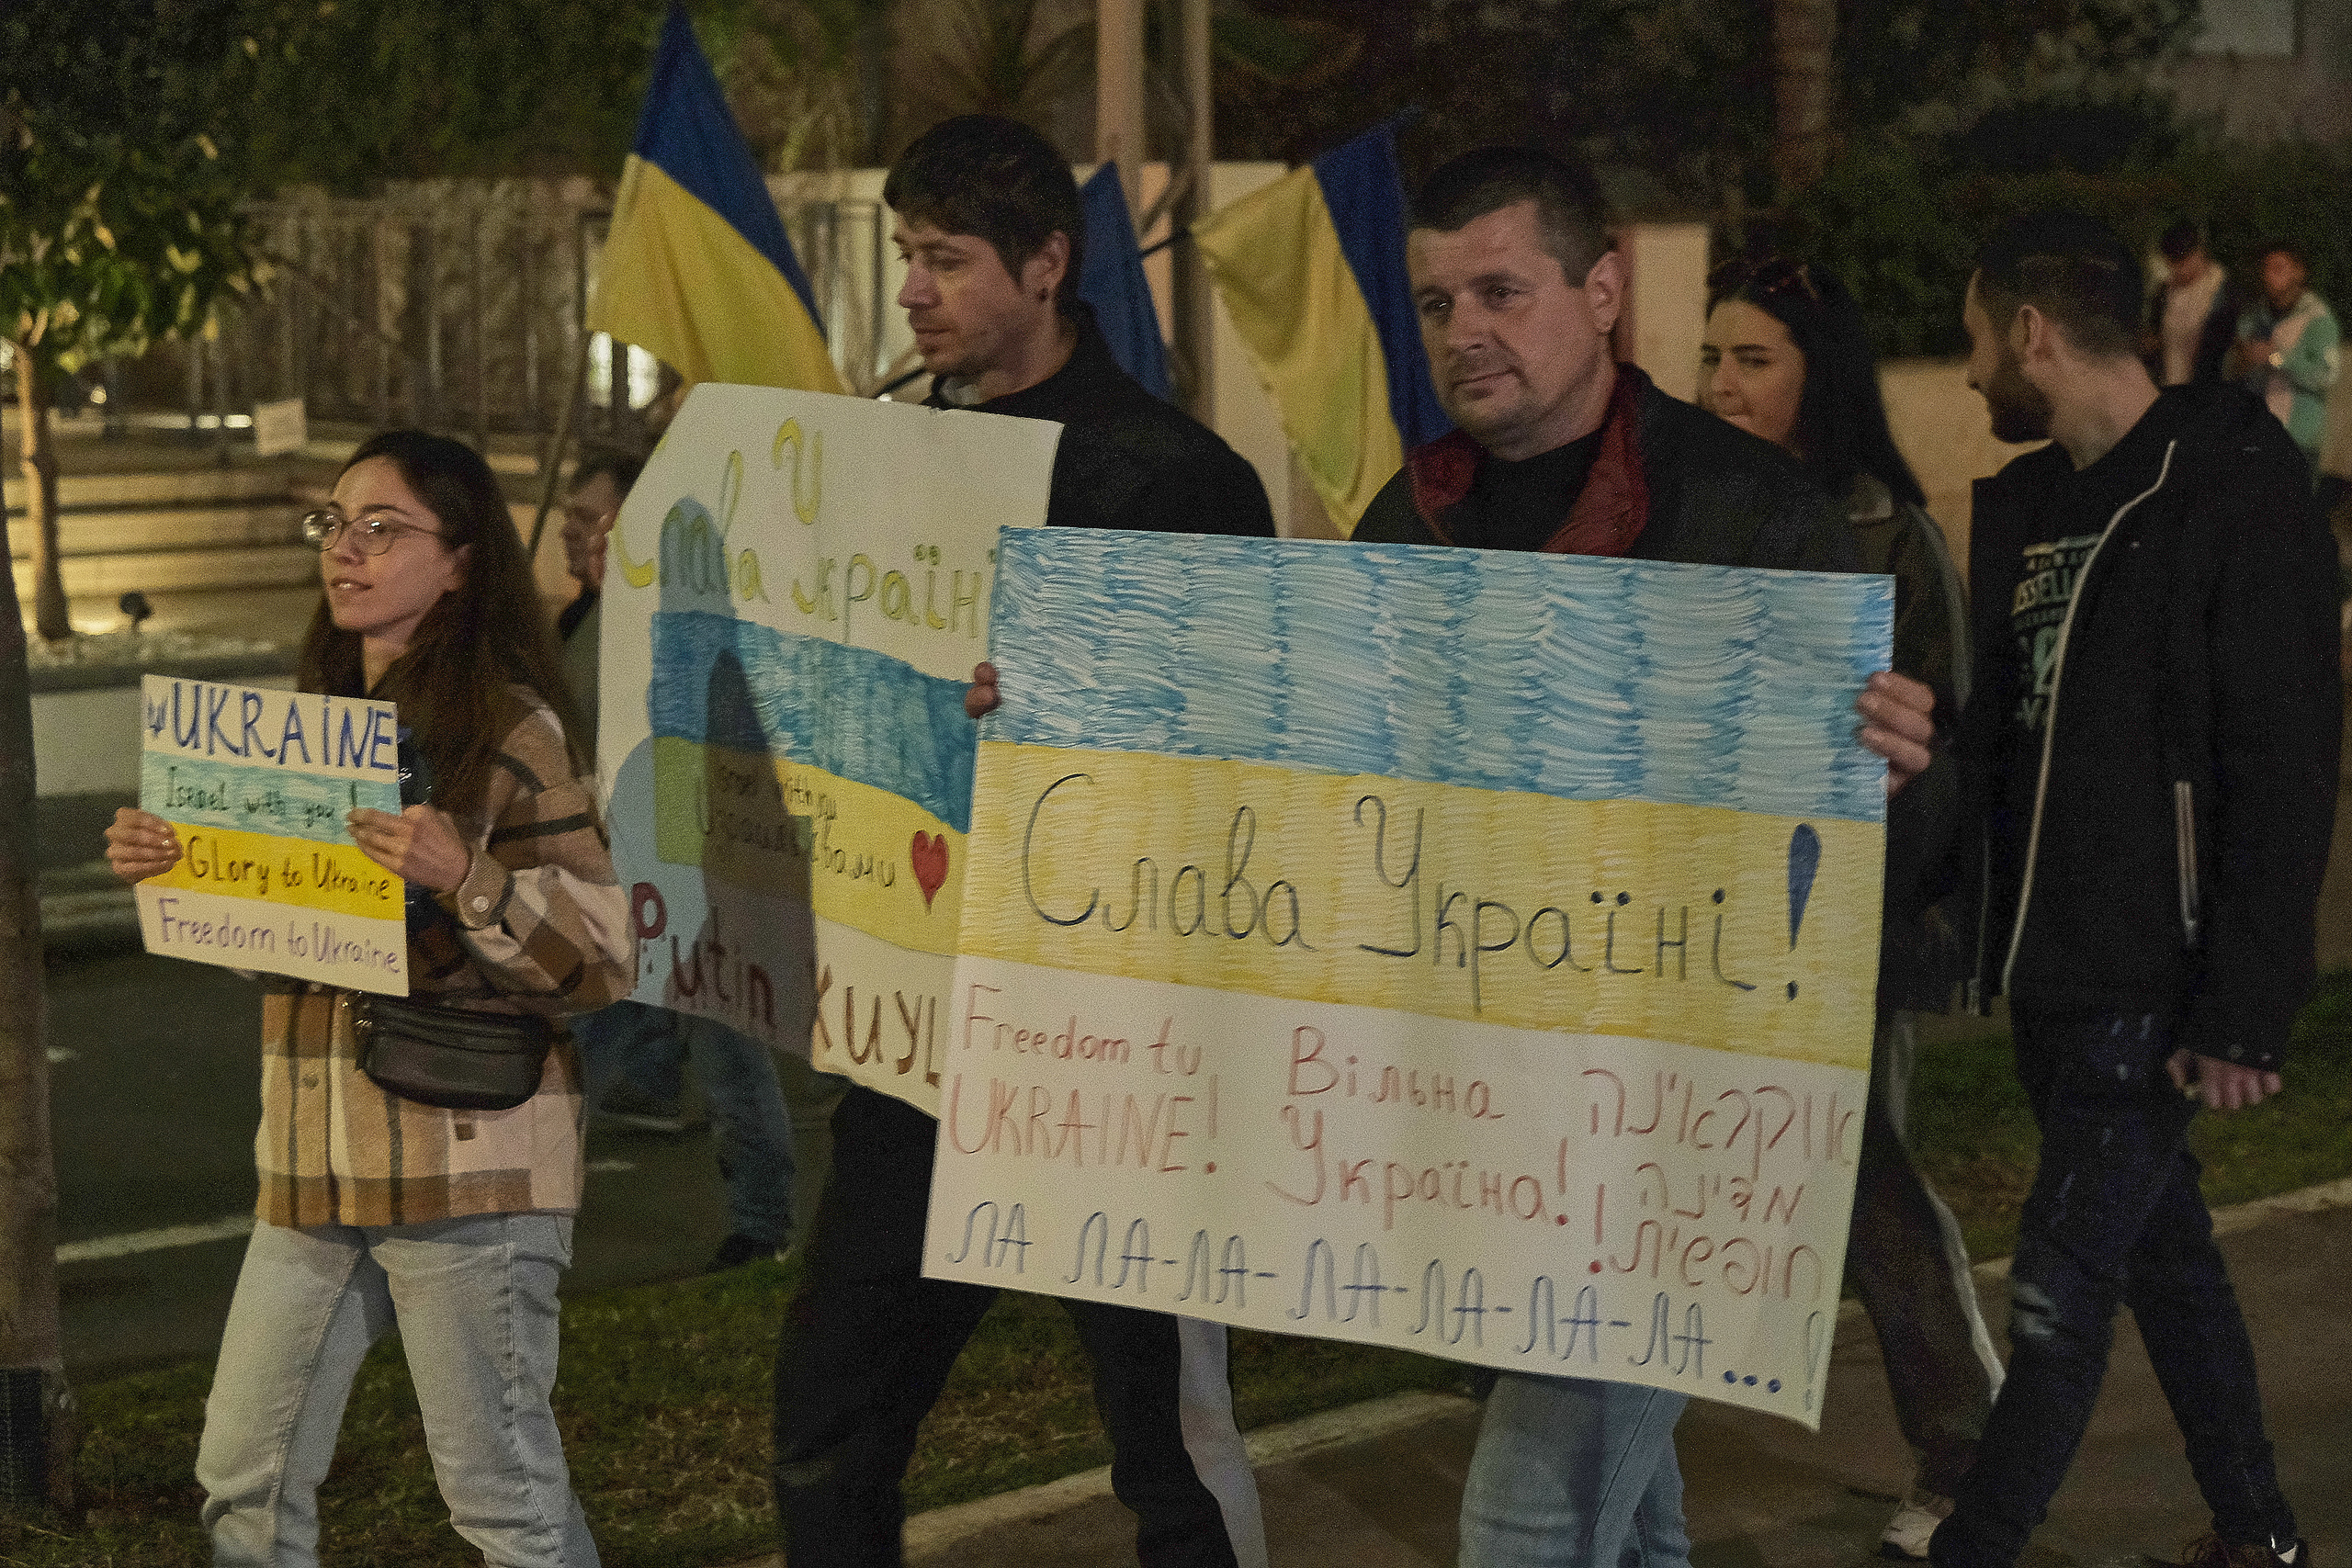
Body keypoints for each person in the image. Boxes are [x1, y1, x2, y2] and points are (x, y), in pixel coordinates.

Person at [1340, 143, 1923, 1568]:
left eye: (1500, 289)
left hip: (1668, 1122)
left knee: (1526, 1520)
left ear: (1602, 290)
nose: (1462, 330)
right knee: (1631, 1510)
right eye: (1433, 302)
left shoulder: (1748, 517)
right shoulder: (1401, 523)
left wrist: (1902, 758)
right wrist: (1060, 715)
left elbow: (1858, 855)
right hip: (1482, 1114)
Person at [773, 114, 1276, 1568]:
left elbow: (1242, 757)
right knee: (829, 1410)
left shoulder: (1177, 476)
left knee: (1165, 1438)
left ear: (1048, 263)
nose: (914, 290)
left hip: (1111, 1044)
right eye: (905, 256)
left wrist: (1072, 701)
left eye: (946, 258)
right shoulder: (882, 459)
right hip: (920, 1036)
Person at [104, 430, 629, 1565]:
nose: (345, 550)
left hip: (466, 1163)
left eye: (381, 528)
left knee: (503, 1498)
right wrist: (184, 865)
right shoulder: (314, 727)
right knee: (243, 1476)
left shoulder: (511, 732)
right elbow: (295, 945)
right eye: (333, 525)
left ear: (461, 559)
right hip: (313, 1162)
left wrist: (467, 879)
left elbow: (600, 964)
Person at [1914, 210, 2335, 1568]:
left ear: (2032, 333)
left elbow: (2285, 756)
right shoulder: (2038, 508)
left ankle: (1982, 1540)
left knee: (2056, 1292)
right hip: (2051, 968)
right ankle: (2258, 1530)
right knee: (2167, 1258)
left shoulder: (2226, 482)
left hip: (2153, 978)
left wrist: (2246, 1007)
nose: (1974, 373)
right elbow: (2012, 739)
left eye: (1978, 340)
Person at [1698, 255, 2001, 1560]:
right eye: (1711, 356)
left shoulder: (1890, 537)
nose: (1720, 384)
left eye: (1753, 358)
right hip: (1683, 907)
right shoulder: (1680, 509)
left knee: (1860, 1184)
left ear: (1819, 372)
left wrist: (1910, 770)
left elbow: (1959, 748)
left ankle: (1969, 1448)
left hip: (1837, 919)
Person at [556, 446, 808, 1271]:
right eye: (571, 522)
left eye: (596, 522)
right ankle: (527, 1202)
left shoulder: (696, 624)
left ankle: (762, 1224)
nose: (577, 537)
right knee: (579, 1043)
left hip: (692, 879)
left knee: (727, 1050)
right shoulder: (579, 624)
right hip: (616, 880)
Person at [2226, 240, 2339, 471]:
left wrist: (2275, 357)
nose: (2269, 275)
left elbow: (2326, 378)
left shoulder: (2318, 320)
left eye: (2278, 268)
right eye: (2266, 268)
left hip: (2298, 438)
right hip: (2254, 432)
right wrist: (2241, 361)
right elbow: (2229, 367)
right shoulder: (2254, 316)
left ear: (2299, 272)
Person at [2143, 220, 2243, 389]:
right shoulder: (2165, 291)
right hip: (2169, 385)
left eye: (2183, 260)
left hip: (2209, 388)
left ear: (2198, 254)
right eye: (2173, 263)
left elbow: (2226, 347)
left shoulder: (2223, 289)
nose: (2178, 269)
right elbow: (2154, 334)